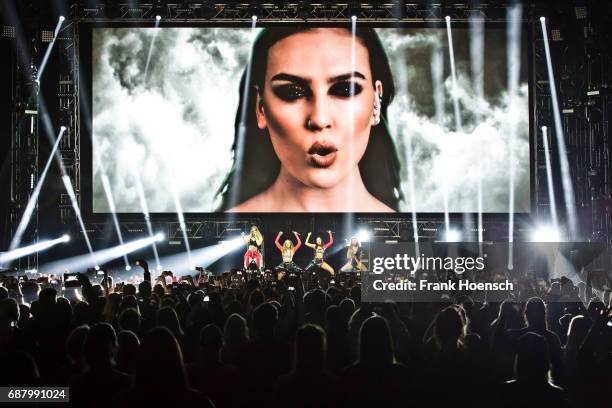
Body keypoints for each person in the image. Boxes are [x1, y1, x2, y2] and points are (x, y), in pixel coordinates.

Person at [216, 27, 402, 212]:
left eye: (346, 89)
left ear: (376, 100)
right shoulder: (218, 237)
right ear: (260, 107)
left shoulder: (408, 237)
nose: (320, 120)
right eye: (292, 92)